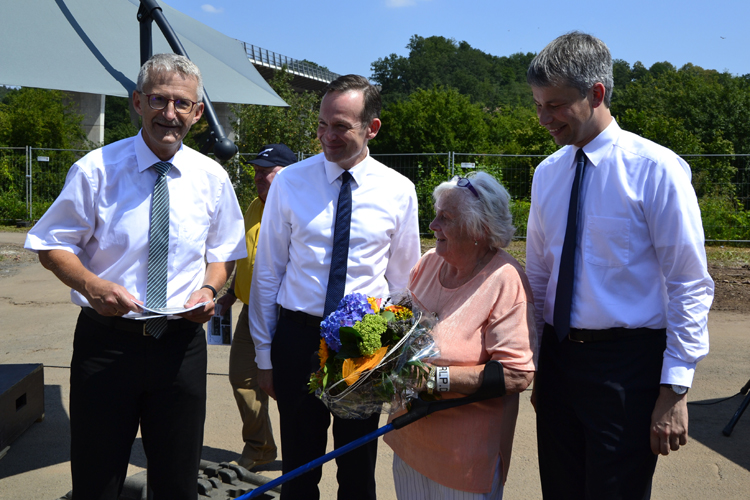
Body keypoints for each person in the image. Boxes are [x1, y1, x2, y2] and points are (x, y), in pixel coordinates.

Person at [24, 53, 247, 500]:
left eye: (182, 104)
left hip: (180, 347)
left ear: (198, 113)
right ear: (137, 102)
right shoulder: (96, 170)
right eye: (159, 100)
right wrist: (91, 284)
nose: (170, 114)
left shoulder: (212, 178)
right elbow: (51, 243)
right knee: (97, 476)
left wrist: (209, 288)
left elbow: (224, 254)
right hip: (107, 346)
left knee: (177, 477)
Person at [525, 32, 714, 499]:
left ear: (597, 93)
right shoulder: (548, 173)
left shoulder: (656, 169)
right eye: (537, 105)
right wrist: (534, 364)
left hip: (626, 370)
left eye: (555, 105)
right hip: (559, 362)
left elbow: (689, 282)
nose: (544, 118)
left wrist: (674, 389)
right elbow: (539, 278)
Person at [248, 74, 421, 499]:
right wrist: (265, 354)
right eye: (322, 125)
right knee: (299, 471)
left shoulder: (399, 191)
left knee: (357, 471)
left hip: (361, 347)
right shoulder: (290, 182)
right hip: (297, 338)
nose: (327, 136)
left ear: (371, 128)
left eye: (340, 126)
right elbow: (268, 271)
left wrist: (394, 358)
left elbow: (402, 283)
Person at [384, 172, 537, 500]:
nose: (433, 225)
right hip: (408, 440)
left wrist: (435, 379)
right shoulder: (428, 263)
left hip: (462, 461)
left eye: (446, 218)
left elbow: (516, 374)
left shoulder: (504, 280)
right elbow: (401, 328)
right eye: (436, 213)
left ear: (480, 230)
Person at [215, 143, 298, 470]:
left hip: (288, 315)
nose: (258, 177)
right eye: (256, 171)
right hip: (252, 312)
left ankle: (300, 456)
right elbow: (246, 256)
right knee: (243, 380)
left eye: (266, 171)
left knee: (288, 388)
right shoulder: (253, 205)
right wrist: (230, 293)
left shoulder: (298, 209)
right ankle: (260, 447)